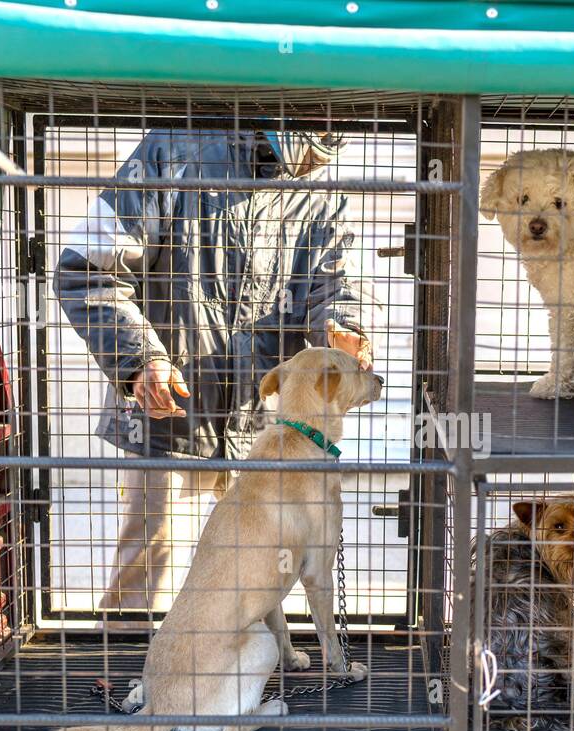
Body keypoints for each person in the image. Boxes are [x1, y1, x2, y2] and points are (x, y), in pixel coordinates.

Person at [57, 128, 377, 613]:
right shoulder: (172, 151)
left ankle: (245, 687)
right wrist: (141, 360)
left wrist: (344, 325)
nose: (320, 154)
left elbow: (337, 284)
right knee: (146, 585)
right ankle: (131, 683)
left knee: (259, 589)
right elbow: (87, 270)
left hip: (271, 432)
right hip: (171, 420)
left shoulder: (321, 193)